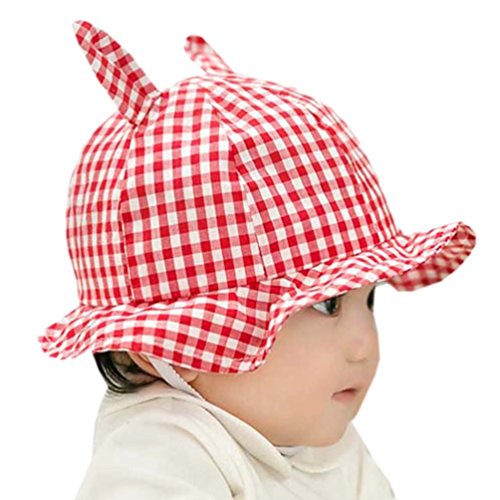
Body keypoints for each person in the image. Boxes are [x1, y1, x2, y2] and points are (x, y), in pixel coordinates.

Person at [38, 19, 476, 499]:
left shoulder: (321, 440)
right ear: (175, 348)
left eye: (369, 300)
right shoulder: (160, 453)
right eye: (327, 304)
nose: (365, 344)